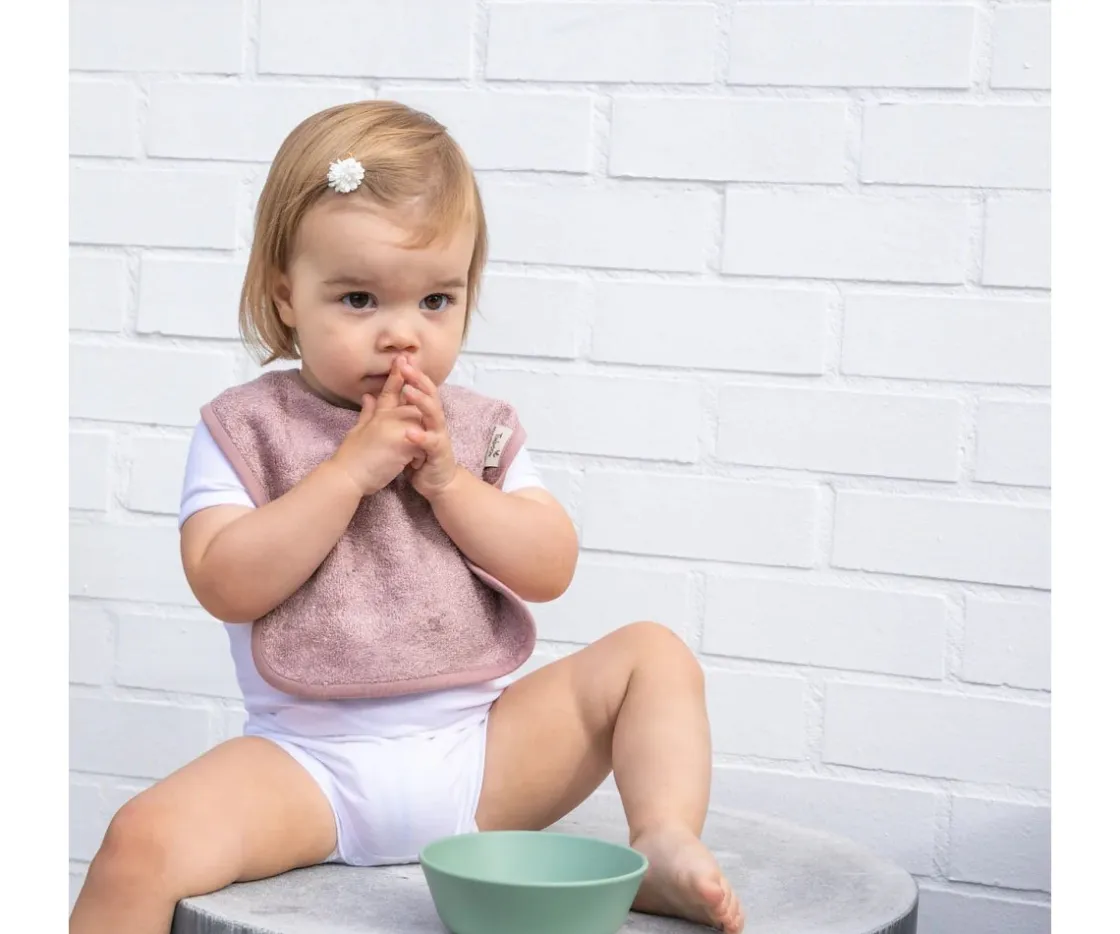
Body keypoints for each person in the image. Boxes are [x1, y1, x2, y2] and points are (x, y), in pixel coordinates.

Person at [70, 100, 744, 934]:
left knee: (654, 655)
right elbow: (223, 581)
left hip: (482, 756)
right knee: (137, 843)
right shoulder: (246, 429)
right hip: (308, 767)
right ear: (286, 296)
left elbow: (550, 566)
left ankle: (664, 840)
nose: (403, 336)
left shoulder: (473, 429)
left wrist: (451, 484)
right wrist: (347, 474)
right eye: (359, 299)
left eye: (435, 300)